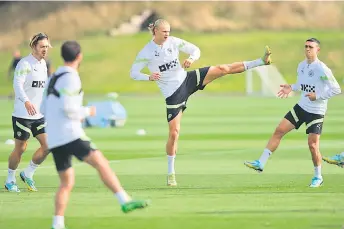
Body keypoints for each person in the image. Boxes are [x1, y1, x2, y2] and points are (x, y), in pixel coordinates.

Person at [130, 19, 272, 186]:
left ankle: (261, 61)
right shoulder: (146, 52)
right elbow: (133, 73)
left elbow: (195, 50)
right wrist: (149, 77)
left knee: (222, 69)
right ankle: (171, 173)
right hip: (173, 94)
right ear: (155, 31)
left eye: (169, 31)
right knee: (174, 133)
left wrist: (191, 59)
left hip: (187, 79)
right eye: (164, 31)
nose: (167, 34)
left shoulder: (174, 42)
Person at [41, 41, 148, 229]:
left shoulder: (53, 76)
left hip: (55, 137)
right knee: (100, 162)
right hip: (70, 134)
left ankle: (57, 224)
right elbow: (68, 108)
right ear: (79, 56)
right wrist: (87, 112)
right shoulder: (71, 77)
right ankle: (123, 200)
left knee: (66, 182)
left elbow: (45, 107)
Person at [244, 38, 341, 188]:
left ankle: (318, 177)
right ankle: (260, 162)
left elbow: (336, 89)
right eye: (306, 46)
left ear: (318, 50)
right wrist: (292, 87)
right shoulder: (301, 66)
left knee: (313, 145)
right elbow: (303, 84)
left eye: (311, 47)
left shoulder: (322, 69)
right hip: (301, 107)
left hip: (316, 111)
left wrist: (318, 96)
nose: (308, 49)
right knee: (279, 131)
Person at [5, 32, 52, 192]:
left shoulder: (43, 64)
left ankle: (28, 173)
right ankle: (10, 179)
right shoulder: (24, 64)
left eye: (46, 46)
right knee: (21, 148)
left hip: (39, 115)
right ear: (33, 46)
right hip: (22, 115)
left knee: (48, 145)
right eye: (42, 46)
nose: (45, 49)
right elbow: (17, 85)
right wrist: (26, 102)